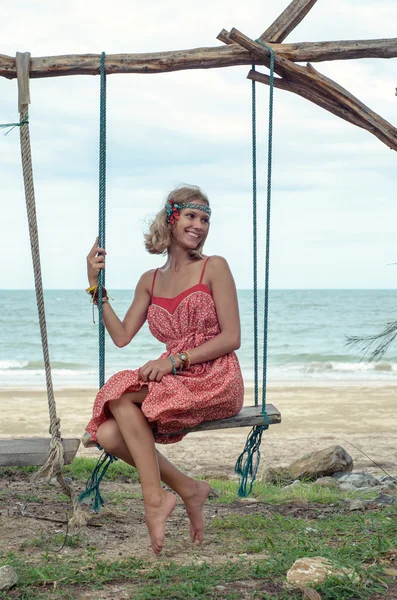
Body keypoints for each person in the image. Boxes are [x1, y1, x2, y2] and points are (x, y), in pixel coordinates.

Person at [84, 184, 244, 554]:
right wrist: (95, 285)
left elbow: (232, 337)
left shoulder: (213, 266)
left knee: (121, 392)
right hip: (176, 377)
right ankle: (188, 488)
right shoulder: (149, 281)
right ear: (171, 219)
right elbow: (122, 335)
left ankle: (154, 499)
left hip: (216, 375)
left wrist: (175, 360)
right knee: (108, 434)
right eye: (191, 216)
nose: (199, 225)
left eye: (205, 219)